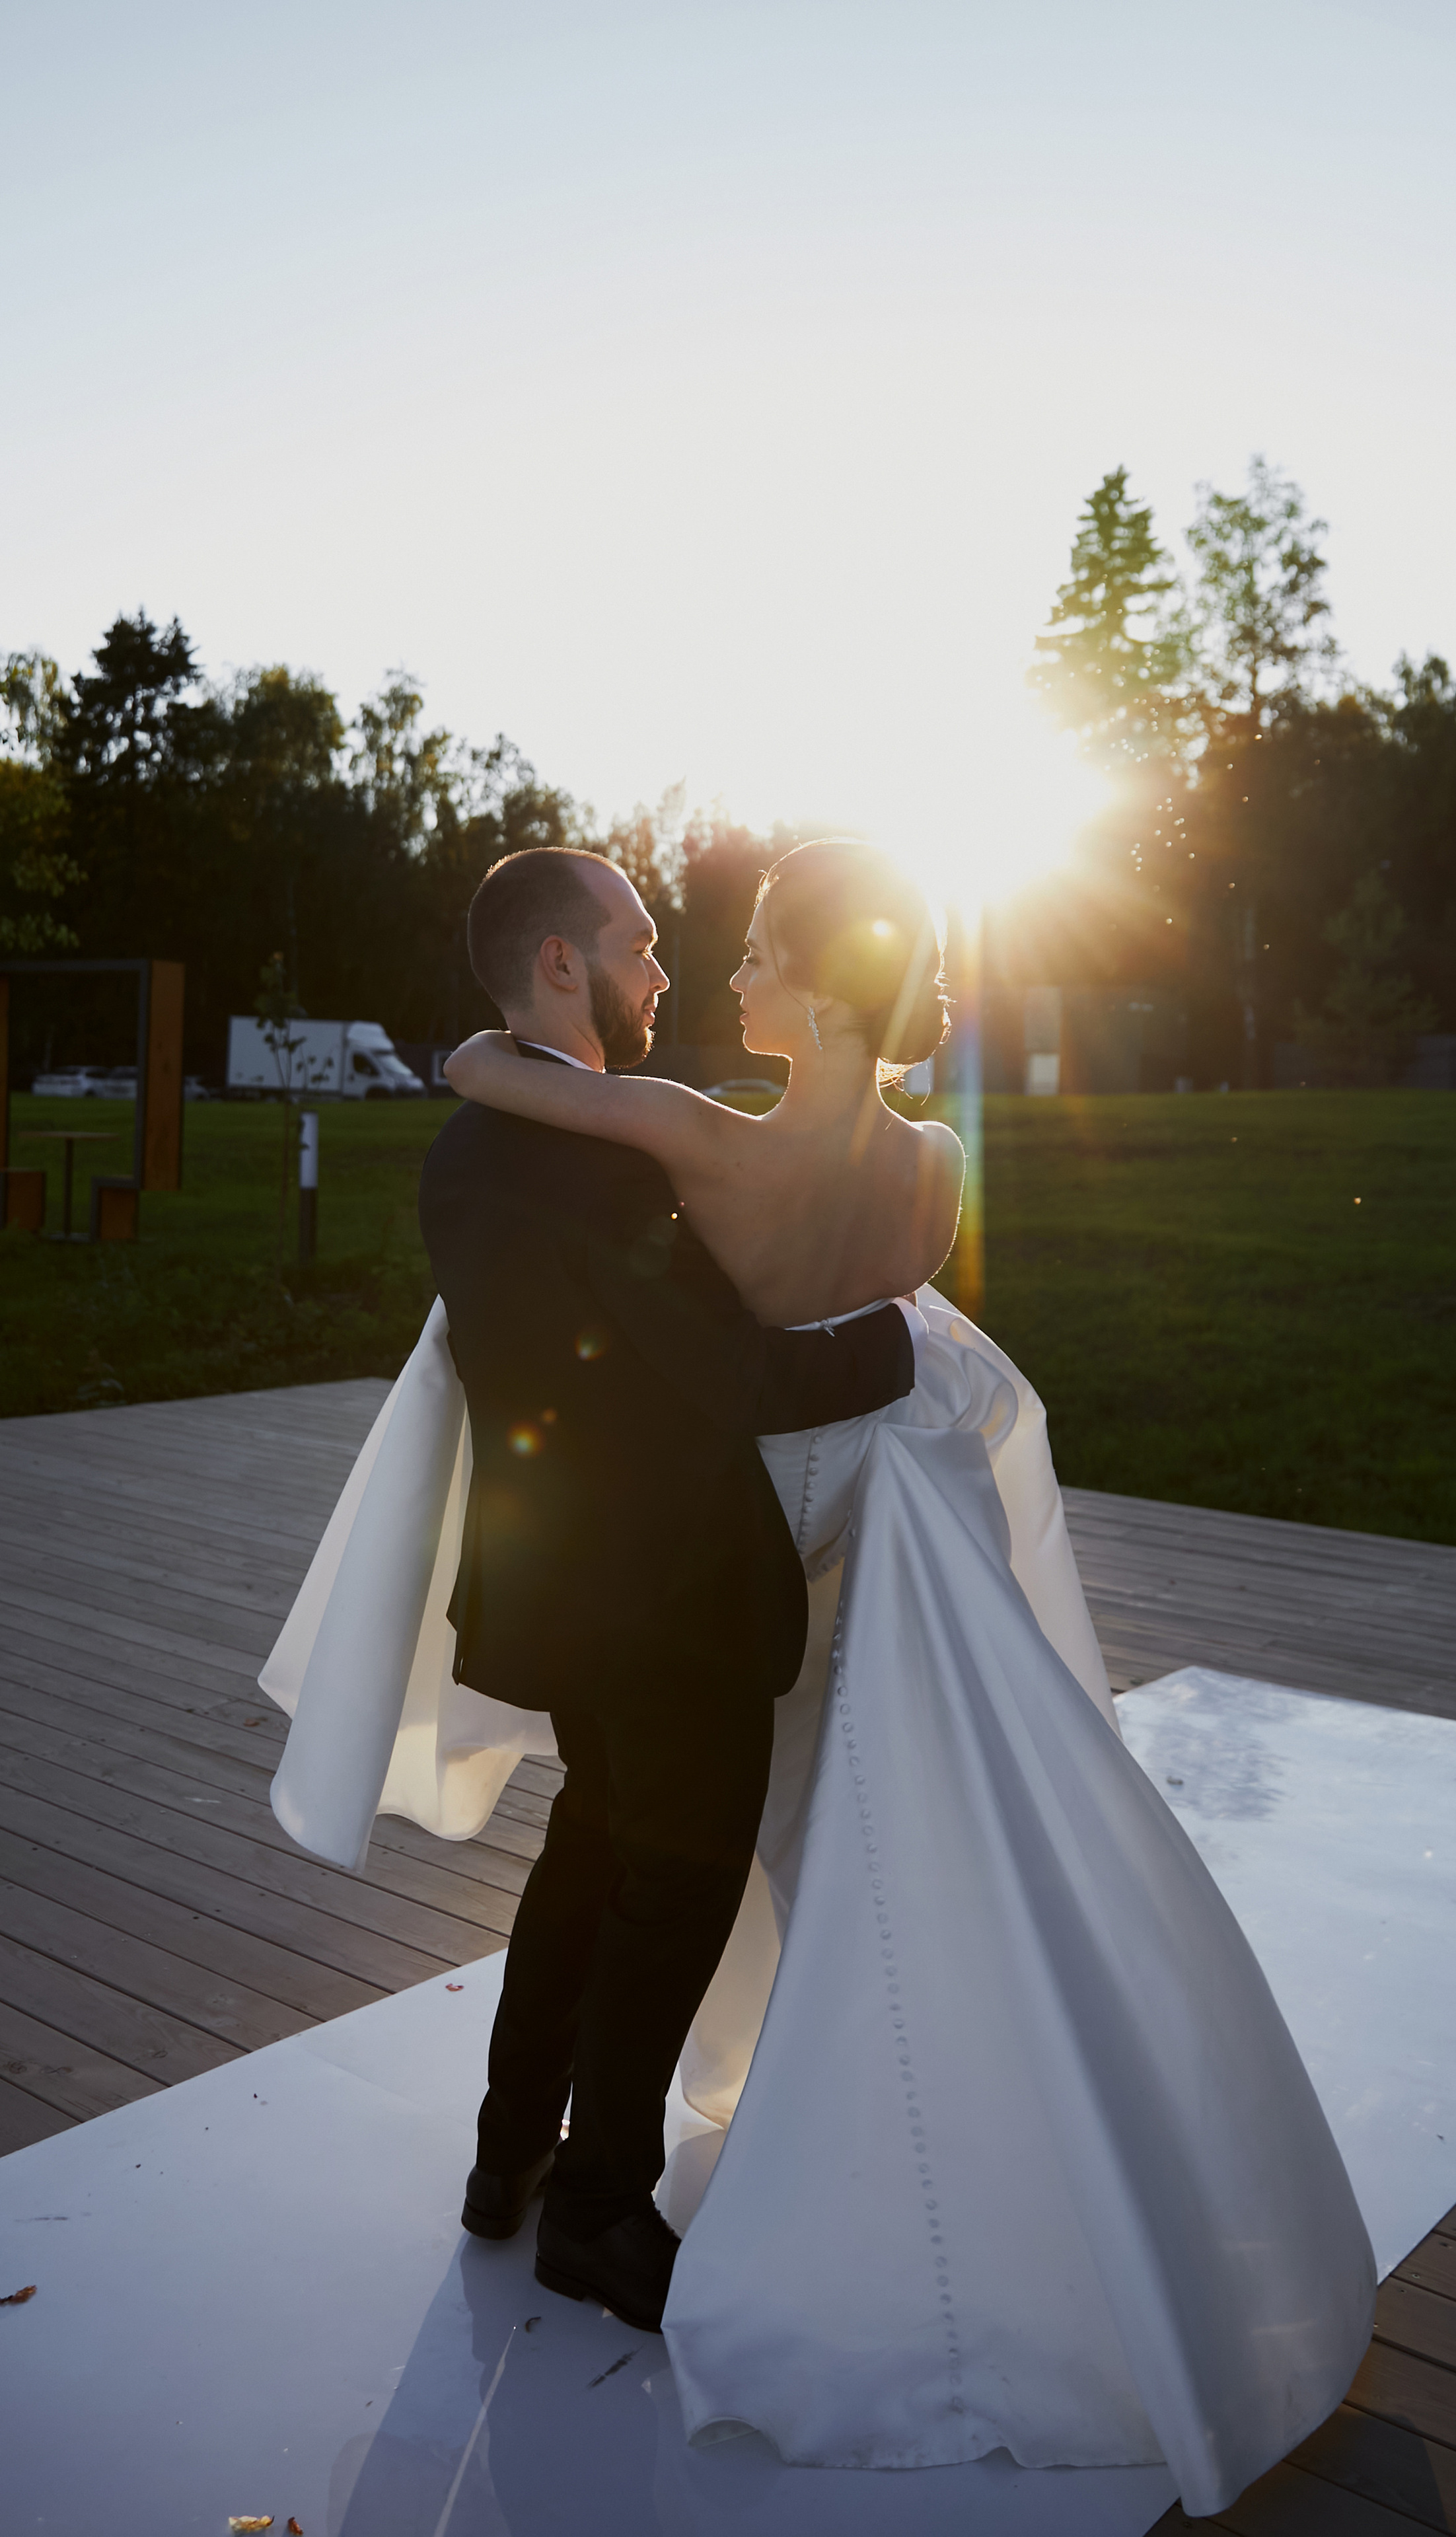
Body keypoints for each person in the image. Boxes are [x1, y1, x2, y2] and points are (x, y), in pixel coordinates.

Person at [436, 837, 1377, 2513]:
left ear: (813, 982)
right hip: (854, 1541)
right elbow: (864, 1334)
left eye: (747, 953)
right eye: (662, 946)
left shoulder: (692, 1138)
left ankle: (556, 2165)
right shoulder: (935, 1161)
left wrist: (475, 1049)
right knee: (779, 1841)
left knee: (654, 1846)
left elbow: (505, 1095)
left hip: (716, 1552)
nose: (710, 971)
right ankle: (590, 2167)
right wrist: (889, 1340)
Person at [415, 845, 924, 2335]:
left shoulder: (470, 1148)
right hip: (666, 1594)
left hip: (563, 1581)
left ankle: (509, 2151)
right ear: (560, 965)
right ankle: (596, 2210)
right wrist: (910, 1345)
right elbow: (739, 1375)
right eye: (636, 945)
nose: (659, 972)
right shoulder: (605, 1167)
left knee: (591, 1845)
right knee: (678, 1881)